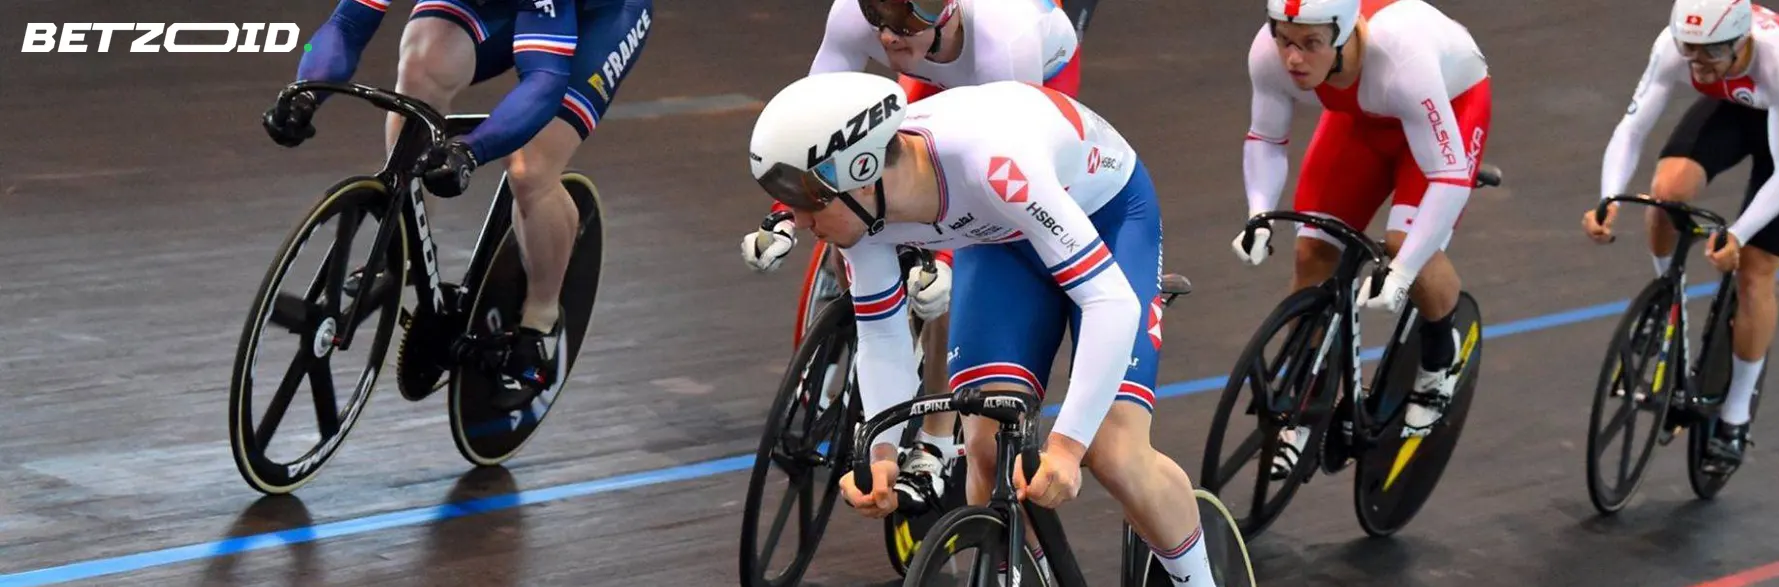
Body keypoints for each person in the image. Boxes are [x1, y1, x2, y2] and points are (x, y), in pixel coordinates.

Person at [748, 72, 1220, 585]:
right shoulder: (858, 214)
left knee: (1113, 450)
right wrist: (881, 451)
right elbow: (882, 332)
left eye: (805, 199)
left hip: (1104, 217)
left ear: (861, 170)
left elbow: (1110, 302)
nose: (794, 217)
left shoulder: (990, 160)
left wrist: (1066, 447)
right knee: (988, 449)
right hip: (999, 237)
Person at [738, 0, 1083, 505]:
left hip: (1024, 92)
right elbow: (806, 125)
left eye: (902, 22)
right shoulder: (862, 15)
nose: (885, 38)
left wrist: (945, 260)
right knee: (859, 206)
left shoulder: (1008, 38)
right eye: (877, 19)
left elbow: (988, 185)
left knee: (960, 265)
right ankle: (860, 270)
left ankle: (938, 439)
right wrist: (784, 214)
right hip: (936, 76)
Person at [262, 0, 653, 409]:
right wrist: (305, 91)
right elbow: (346, 23)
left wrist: (471, 150)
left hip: (600, 20)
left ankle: (541, 321)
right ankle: (407, 245)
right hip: (503, 9)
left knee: (529, 167)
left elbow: (543, 82)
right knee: (419, 70)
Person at [1227, 0, 1491, 478]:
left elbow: (1448, 177)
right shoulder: (1270, 54)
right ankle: (1310, 401)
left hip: (1446, 110)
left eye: (1311, 45)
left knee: (1401, 248)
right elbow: (1266, 137)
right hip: (1366, 119)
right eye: (1285, 40)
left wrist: (1403, 269)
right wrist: (1259, 214)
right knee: (1312, 251)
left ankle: (1440, 358)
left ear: (1345, 36)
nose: (1293, 59)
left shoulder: (1403, 61)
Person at [1581, 0, 1779, 470]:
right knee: (1665, 193)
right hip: (1734, 106)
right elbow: (1632, 129)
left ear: (1742, 42)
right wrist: (1608, 198)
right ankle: (1664, 300)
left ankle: (1735, 417)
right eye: (1689, 52)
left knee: (1755, 272)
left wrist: (1738, 233)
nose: (1697, 64)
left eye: (1709, 54)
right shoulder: (1680, 50)